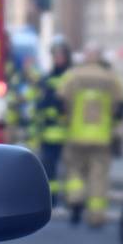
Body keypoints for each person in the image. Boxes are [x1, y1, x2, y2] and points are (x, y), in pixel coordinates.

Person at [60, 45, 123, 228]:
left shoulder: (73, 76)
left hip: (76, 135)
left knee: (75, 171)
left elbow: (61, 100)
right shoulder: (110, 78)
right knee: (98, 176)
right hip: (101, 137)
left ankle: (75, 201)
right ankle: (96, 216)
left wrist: (68, 118)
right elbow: (121, 105)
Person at [36, 37, 72, 204]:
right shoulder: (47, 78)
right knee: (49, 169)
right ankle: (52, 199)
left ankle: (72, 201)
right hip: (49, 133)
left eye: (60, 55)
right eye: (55, 55)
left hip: (68, 132)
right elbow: (41, 103)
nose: (57, 59)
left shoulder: (72, 78)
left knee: (71, 170)